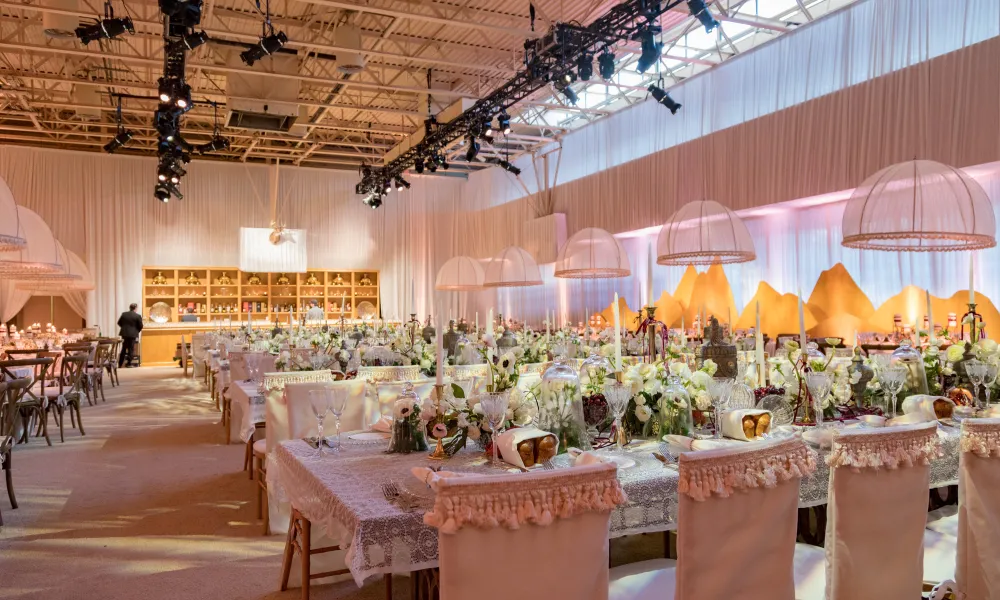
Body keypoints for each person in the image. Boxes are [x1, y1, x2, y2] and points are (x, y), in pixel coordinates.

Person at [117, 303, 143, 367]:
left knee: (124, 348)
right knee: (131, 348)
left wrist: (124, 328)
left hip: (124, 333)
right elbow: (141, 326)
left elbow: (119, 323)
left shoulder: (124, 314)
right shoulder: (137, 316)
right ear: (136, 308)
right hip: (133, 334)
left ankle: (120, 364)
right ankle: (129, 363)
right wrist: (136, 330)